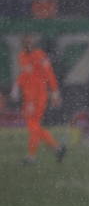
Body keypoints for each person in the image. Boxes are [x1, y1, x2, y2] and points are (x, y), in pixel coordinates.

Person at [12, 34, 67, 165]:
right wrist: (16, 86)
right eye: (26, 42)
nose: (28, 45)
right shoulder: (22, 56)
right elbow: (25, 74)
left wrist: (54, 92)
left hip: (38, 96)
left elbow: (48, 74)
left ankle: (34, 156)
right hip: (29, 96)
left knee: (33, 125)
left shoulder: (39, 55)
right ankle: (56, 148)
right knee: (35, 126)